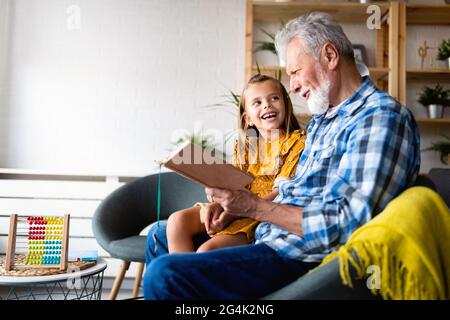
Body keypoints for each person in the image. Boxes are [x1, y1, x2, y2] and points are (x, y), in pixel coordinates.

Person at [143, 12, 420, 300]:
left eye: (295, 72)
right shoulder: (325, 120)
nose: (294, 87)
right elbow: (294, 189)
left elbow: (347, 224)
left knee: (165, 275)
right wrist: (232, 209)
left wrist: (254, 208)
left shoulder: (379, 118)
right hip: (272, 235)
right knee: (159, 236)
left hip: (300, 257)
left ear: (329, 56)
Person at [167, 74, 306, 254]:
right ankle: (180, 279)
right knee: (177, 222)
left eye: (274, 98)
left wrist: (231, 213)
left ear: (286, 106)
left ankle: (192, 278)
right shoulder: (246, 146)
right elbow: (233, 185)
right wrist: (217, 204)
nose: (267, 104)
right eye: (257, 102)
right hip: (232, 206)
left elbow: (281, 191)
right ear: (247, 118)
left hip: (261, 214)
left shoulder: (297, 142)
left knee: (206, 251)